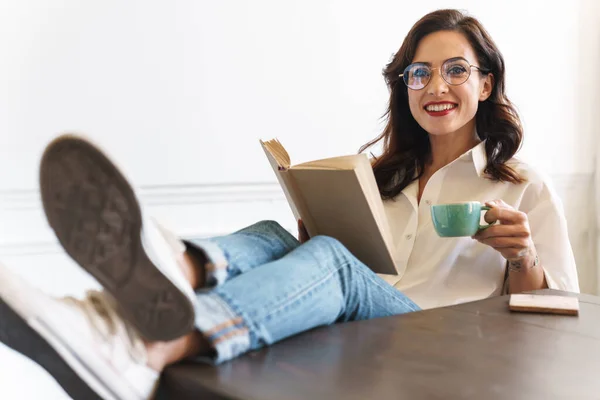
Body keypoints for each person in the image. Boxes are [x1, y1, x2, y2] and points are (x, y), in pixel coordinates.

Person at [0, 8, 579, 400]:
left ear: (485, 83)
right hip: (364, 320)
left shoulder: (522, 184)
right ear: (403, 88)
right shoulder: (386, 179)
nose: (435, 87)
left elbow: (560, 318)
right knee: (276, 235)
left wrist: (523, 257)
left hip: (433, 336)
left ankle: (148, 348)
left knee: (330, 260)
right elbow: (357, 268)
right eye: (418, 74)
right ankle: (166, 273)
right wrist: (307, 248)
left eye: (456, 71)